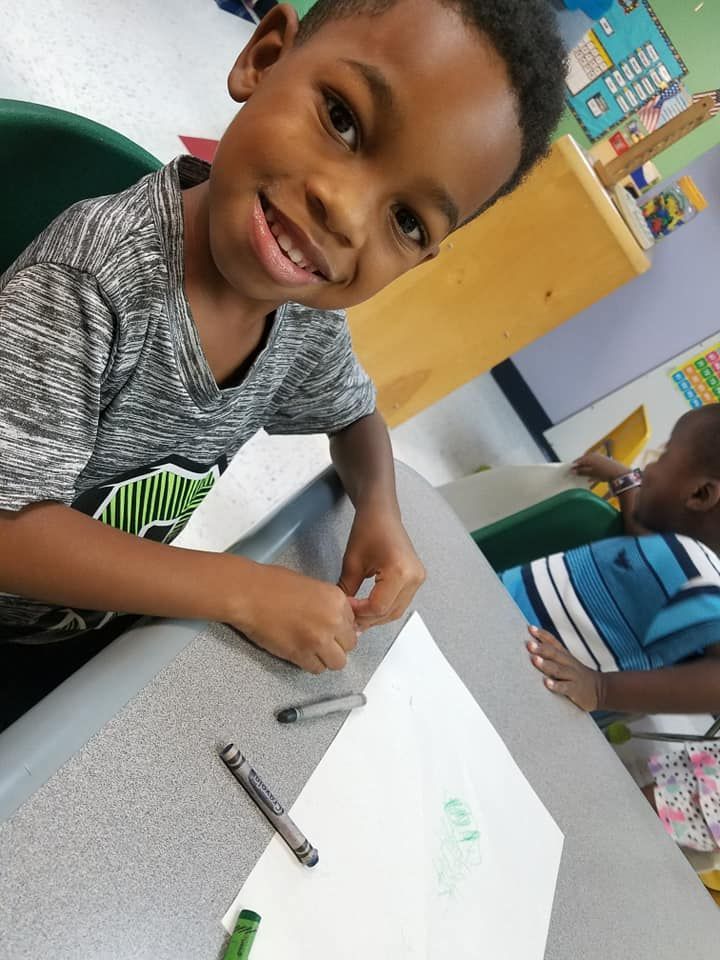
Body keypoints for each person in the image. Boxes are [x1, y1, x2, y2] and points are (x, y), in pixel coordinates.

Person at [0, 0, 568, 712]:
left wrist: (380, 510)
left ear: (420, 261)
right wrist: (240, 589)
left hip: (84, 629)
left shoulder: (298, 320)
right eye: (343, 118)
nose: (346, 212)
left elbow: (356, 418)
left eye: (405, 221)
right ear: (263, 59)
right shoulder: (97, 282)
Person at [501, 406, 720, 716]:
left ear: (699, 494)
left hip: (521, 673)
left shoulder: (701, 574)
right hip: (507, 623)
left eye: (664, 455)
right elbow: (640, 537)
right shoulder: (678, 552)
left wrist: (600, 689)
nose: (650, 468)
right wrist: (623, 479)